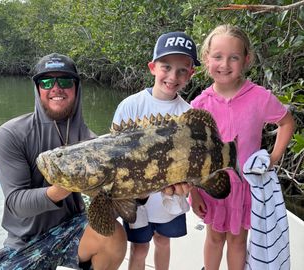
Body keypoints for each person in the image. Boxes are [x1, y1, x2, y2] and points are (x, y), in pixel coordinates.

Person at [0, 53, 127, 270]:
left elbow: (113, 197)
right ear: (38, 89)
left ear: (76, 87)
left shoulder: (91, 141)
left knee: (112, 233)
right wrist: (65, 186)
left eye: (65, 81)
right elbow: (15, 203)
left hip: (72, 228)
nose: (56, 88)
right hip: (23, 243)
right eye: (47, 82)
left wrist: (141, 193)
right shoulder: (11, 134)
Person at [189, 25, 295, 270]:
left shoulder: (259, 97)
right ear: (206, 59)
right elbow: (193, 155)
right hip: (212, 185)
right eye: (217, 57)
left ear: (246, 60)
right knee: (214, 238)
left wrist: (273, 157)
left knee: (238, 242)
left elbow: (286, 122)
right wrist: (193, 192)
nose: (224, 64)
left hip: (246, 187)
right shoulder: (199, 104)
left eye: (233, 57)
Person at [112, 31, 201, 270]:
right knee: (139, 248)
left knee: (163, 242)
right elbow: (114, 153)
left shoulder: (188, 113)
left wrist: (191, 184)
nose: (173, 76)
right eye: (166, 67)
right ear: (152, 67)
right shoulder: (130, 106)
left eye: (182, 70)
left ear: (191, 74)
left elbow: (192, 159)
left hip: (171, 196)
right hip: (136, 196)